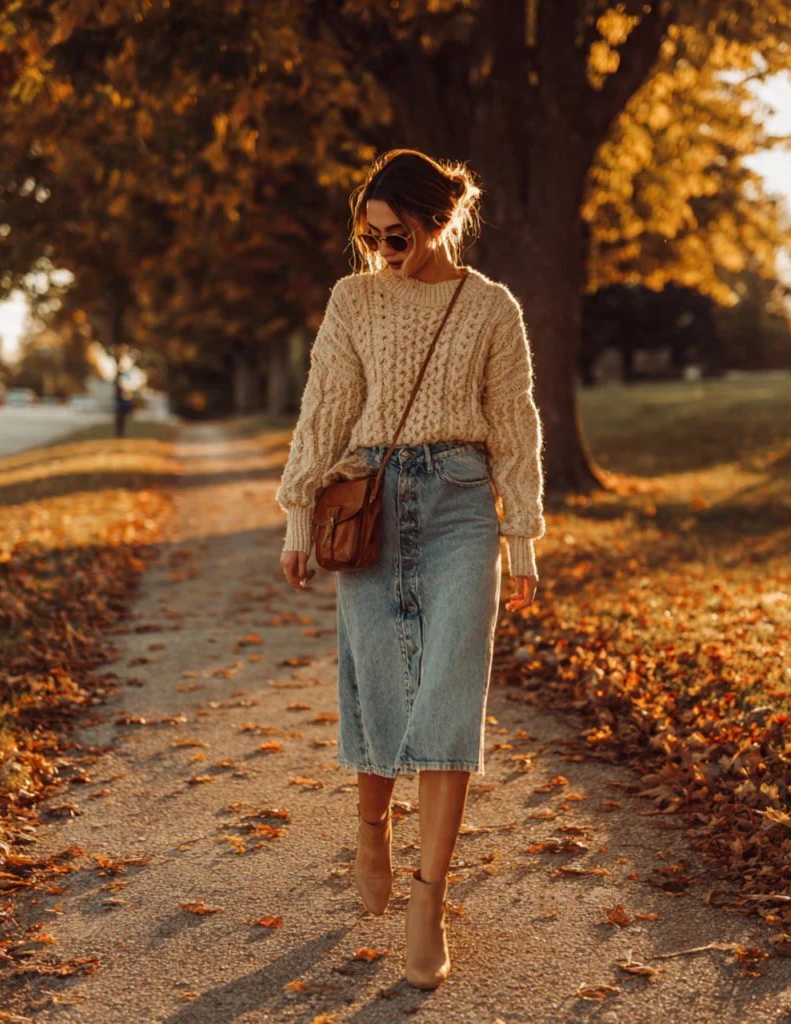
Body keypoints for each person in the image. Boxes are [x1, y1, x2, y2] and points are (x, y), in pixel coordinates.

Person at [274, 148, 545, 989]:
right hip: (372, 501)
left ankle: (430, 899)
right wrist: (297, 514)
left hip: (463, 504)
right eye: (371, 237)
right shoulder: (353, 300)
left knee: (450, 691)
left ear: (438, 221)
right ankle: (370, 826)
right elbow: (327, 406)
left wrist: (522, 534)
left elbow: (513, 419)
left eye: (397, 235)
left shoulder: (491, 306)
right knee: (379, 682)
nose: (383, 251)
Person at [112, 343, 134, 438]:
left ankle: (122, 430)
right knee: (119, 412)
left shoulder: (126, 360)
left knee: (124, 412)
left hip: (125, 393)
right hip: (119, 392)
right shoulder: (115, 360)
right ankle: (119, 431)